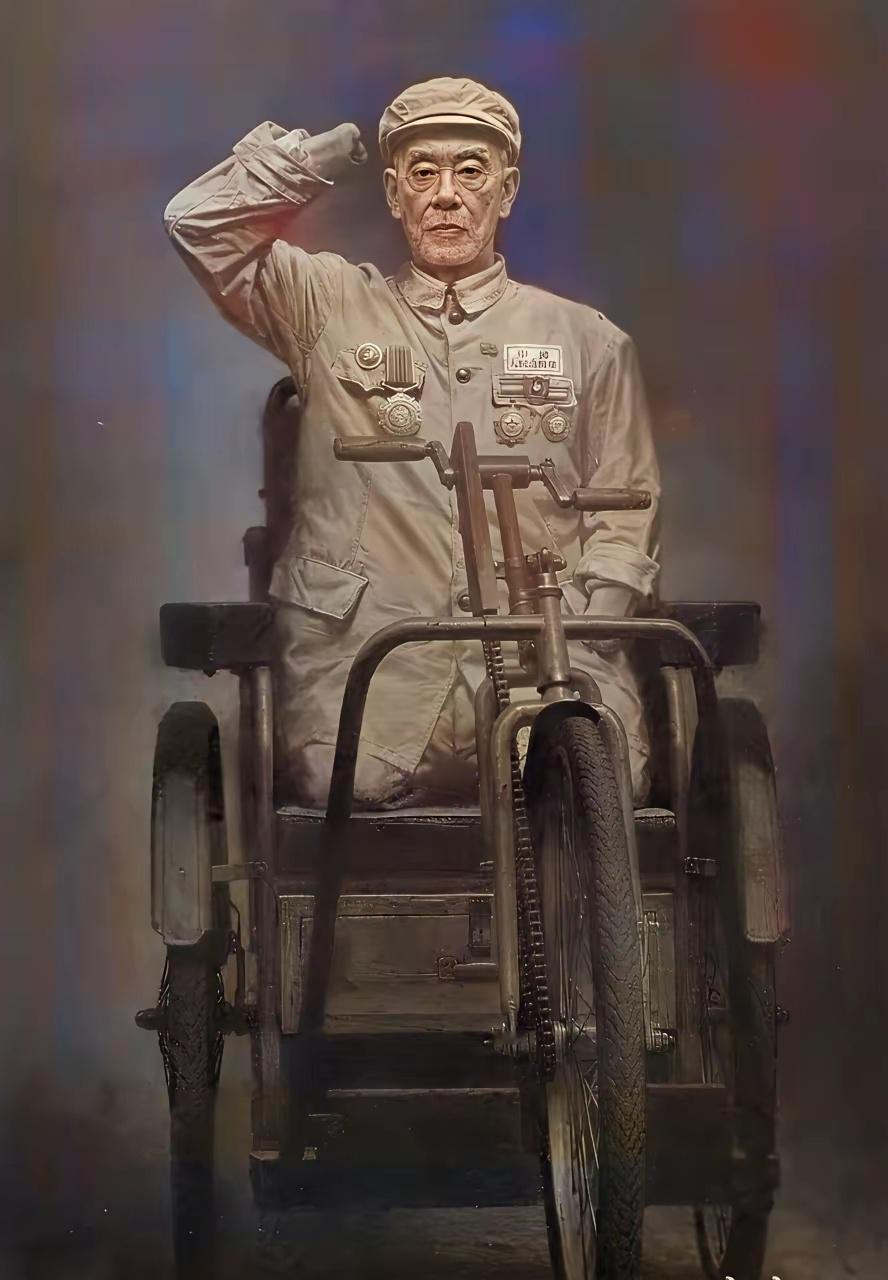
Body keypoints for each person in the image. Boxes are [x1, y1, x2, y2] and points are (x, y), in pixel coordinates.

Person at [163, 76, 660, 809]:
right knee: (351, 779)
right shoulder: (326, 306)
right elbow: (198, 226)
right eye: (423, 173)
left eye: (471, 171)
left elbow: (627, 515)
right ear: (394, 195)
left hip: (550, 681)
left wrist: (582, 640)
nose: (447, 196)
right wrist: (310, 161)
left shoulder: (589, 342)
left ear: (507, 191)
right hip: (364, 687)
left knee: (591, 783)